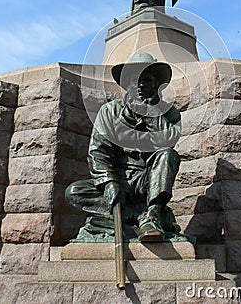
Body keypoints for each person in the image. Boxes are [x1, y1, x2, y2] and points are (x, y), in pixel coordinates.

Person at [66, 53, 182, 242]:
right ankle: (139, 217)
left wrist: (150, 113)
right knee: (74, 192)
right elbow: (98, 152)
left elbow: (167, 141)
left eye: (147, 80)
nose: (141, 85)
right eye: (136, 80)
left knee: (168, 154)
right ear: (128, 84)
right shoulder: (110, 111)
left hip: (148, 180)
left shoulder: (169, 113)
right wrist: (109, 182)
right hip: (118, 180)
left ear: (156, 85)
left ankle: (152, 213)